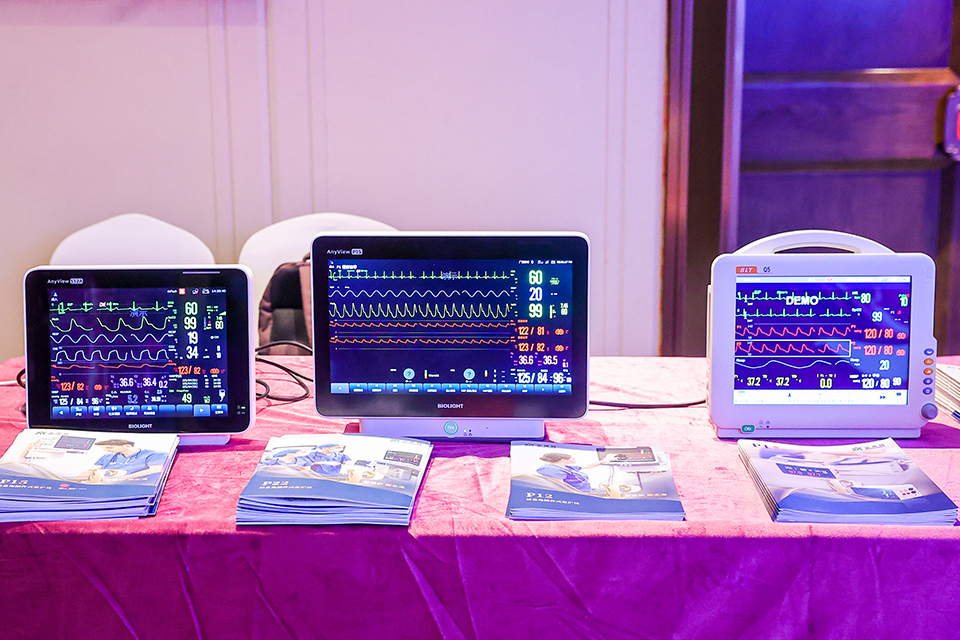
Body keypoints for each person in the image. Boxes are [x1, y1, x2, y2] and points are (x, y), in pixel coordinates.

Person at [75, 439, 168, 483]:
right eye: (105, 448)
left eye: (109, 447)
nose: (107, 450)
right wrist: (75, 481)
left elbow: (157, 469)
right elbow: (92, 471)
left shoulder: (154, 454)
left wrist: (123, 478)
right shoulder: (107, 457)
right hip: (107, 485)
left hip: (138, 485)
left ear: (127, 446)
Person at [535, 451, 609, 492]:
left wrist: (602, 461)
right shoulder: (552, 470)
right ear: (563, 460)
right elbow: (559, 487)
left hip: (583, 492)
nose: (575, 460)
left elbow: (587, 465)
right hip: (575, 494)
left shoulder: (565, 467)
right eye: (573, 458)